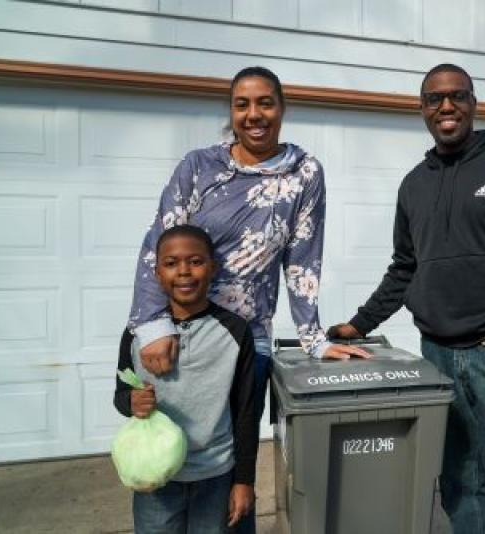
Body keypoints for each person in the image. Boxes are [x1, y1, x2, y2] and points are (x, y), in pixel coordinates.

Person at [330, 64, 485, 533]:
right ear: (421, 109)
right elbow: (405, 267)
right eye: (434, 98)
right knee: (459, 482)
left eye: (457, 95)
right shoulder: (414, 184)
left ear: (473, 102)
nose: (446, 106)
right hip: (436, 357)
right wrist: (359, 324)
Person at [127, 66, 369, 533]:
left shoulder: (305, 174)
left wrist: (314, 339)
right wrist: (152, 325)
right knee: (167, 446)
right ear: (231, 111)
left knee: (234, 455)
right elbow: (156, 245)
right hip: (180, 333)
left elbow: (303, 258)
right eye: (242, 104)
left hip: (246, 340)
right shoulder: (198, 168)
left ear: (282, 108)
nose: (254, 115)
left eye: (265, 103)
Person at [114, 225, 257, 533]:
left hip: (216, 475)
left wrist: (244, 480)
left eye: (195, 261)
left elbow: (246, 411)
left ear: (212, 268)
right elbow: (121, 394)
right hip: (155, 480)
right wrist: (132, 402)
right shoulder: (138, 333)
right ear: (156, 274)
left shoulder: (235, 331)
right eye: (171, 263)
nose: (184, 272)